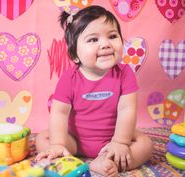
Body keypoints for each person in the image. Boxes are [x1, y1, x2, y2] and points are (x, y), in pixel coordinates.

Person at [35, 5, 153, 177]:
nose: (105, 44)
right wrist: (59, 143)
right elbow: (59, 113)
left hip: (113, 139)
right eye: (93, 40)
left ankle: (108, 162)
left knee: (145, 143)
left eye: (112, 36)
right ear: (75, 54)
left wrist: (120, 142)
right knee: (43, 139)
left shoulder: (125, 73)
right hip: (76, 141)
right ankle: (64, 158)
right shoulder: (69, 78)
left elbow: (128, 109)